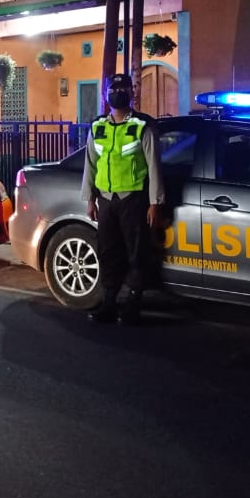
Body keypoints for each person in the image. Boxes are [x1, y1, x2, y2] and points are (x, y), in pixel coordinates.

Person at [80, 74, 164, 325]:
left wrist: (155, 203)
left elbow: (154, 166)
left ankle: (132, 306)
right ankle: (109, 303)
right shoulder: (98, 127)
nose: (118, 93)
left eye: (123, 89)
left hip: (133, 199)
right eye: (114, 89)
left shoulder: (142, 125)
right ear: (106, 94)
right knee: (108, 252)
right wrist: (89, 199)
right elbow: (90, 165)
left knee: (136, 253)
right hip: (106, 200)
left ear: (131, 93)